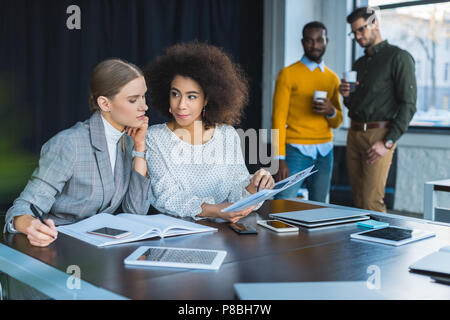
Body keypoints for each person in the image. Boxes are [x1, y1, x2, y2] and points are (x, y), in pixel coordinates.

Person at [4, 58, 152, 247]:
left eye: (143, 96)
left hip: (100, 248)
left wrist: (140, 148)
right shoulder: (69, 143)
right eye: (133, 100)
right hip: (59, 246)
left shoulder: (129, 140)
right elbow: (23, 208)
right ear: (105, 104)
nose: (144, 107)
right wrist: (31, 226)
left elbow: (135, 213)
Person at [144, 41, 275, 223]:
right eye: (175, 94)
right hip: (176, 235)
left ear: (206, 100)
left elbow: (237, 190)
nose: (181, 105)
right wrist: (215, 211)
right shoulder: (154, 138)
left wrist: (255, 185)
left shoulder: (227, 135)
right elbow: (166, 196)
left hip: (225, 235)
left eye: (191, 96)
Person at [340, 7, 417, 212]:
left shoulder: (398, 57)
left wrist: (388, 142)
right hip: (354, 133)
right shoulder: (359, 63)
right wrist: (347, 96)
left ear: (375, 23)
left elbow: (408, 104)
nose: (357, 36)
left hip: (379, 135)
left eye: (361, 30)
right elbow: (354, 106)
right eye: (354, 32)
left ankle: (381, 243)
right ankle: (359, 244)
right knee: (357, 202)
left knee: (371, 202)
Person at [273, 21, 343, 202]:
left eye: (320, 40)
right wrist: (279, 158)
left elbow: (337, 121)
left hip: (325, 151)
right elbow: (278, 119)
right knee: (282, 202)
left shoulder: (332, 78)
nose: (315, 45)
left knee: (320, 206)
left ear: (327, 41)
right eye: (310, 41)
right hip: (295, 150)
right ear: (303, 42)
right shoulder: (288, 74)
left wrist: (330, 111)